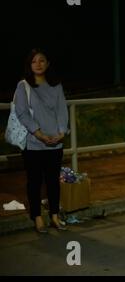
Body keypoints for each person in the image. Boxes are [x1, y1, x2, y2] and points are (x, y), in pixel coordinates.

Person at [14, 48, 69, 233]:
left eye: (42, 61)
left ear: (48, 64)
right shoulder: (23, 86)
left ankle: (54, 215)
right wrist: (39, 134)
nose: (38, 64)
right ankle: (37, 217)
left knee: (53, 181)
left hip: (55, 141)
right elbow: (22, 113)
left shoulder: (56, 85)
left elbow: (62, 109)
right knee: (34, 181)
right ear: (29, 65)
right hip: (33, 143)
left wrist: (62, 132)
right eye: (34, 61)